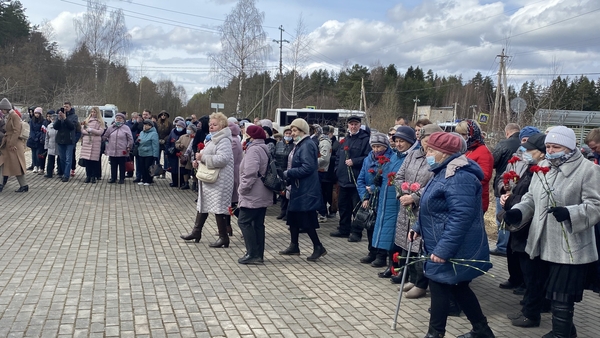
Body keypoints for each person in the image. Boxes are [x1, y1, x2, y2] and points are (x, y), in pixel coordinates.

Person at [503, 126, 600, 338]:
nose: (550, 150)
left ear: (569, 147)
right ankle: (566, 330)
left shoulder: (587, 170)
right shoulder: (543, 167)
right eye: (548, 146)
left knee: (561, 294)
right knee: (546, 289)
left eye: (556, 146)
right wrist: (517, 213)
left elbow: (596, 205)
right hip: (542, 241)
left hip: (570, 245)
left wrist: (570, 213)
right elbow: (531, 198)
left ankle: (561, 334)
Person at [410, 132, 494, 338]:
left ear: (444, 153)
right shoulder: (442, 171)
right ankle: (482, 330)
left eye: (431, 150)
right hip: (442, 243)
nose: (426, 153)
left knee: (440, 286)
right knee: (458, 287)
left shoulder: (459, 177)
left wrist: (443, 250)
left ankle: (435, 333)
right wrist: (417, 226)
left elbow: (461, 217)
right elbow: (430, 205)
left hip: (453, 246)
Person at [497, 133, 549, 328]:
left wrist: (511, 200)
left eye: (529, 151)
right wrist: (508, 195)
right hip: (522, 223)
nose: (525, 154)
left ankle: (531, 312)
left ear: (541, 153)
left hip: (529, 227)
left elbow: (534, 199)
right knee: (529, 272)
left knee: (533, 273)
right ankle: (530, 307)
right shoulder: (532, 169)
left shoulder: (542, 171)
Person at [389, 125, 439, 299]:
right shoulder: (413, 154)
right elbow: (399, 176)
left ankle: (421, 284)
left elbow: (434, 183)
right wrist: (403, 194)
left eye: (429, 141)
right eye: (424, 140)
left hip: (422, 208)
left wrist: (415, 197)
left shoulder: (436, 158)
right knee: (406, 244)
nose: (426, 144)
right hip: (406, 207)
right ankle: (412, 278)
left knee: (419, 247)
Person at [180, 112, 234, 248]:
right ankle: (196, 232)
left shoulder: (224, 140)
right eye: (210, 124)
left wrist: (202, 158)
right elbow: (206, 155)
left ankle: (224, 238)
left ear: (222, 126)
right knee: (203, 205)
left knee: (219, 208)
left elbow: (223, 159)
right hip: (210, 178)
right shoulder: (211, 138)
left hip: (220, 179)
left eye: (215, 125)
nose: (211, 127)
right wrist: (198, 162)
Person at [356, 131, 409, 270]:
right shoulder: (368, 159)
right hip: (370, 197)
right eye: (374, 147)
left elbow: (387, 180)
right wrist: (365, 196)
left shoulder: (391, 159)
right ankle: (372, 251)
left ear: (385, 146)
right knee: (370, 224)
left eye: (379, 146)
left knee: (382, 227)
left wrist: (374, 187)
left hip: (381, 196)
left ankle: (382, 255)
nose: (376, 149)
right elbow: (360, 179)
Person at [279, 118, 327, 261]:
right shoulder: (299, 144)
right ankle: (294, 245)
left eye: (295, 130)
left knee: (307, 219)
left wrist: (289, 173)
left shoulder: (306, 145)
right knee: (293, 216)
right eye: (292, 130)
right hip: (298, 187)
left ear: (303, 131)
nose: (292, 133)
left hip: (306, 189)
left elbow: (308, 167)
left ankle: (318, 246)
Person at [331, 116, 371, 241]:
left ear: (359, 125)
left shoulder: (365, 140)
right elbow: (338, 157)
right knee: (343, 206)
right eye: (351, 124)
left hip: (356, 181)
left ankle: (356, 232)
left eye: (356, 124)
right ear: (348, 125)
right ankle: (344, 229)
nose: (353, 126)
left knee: (357, 208)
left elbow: (368, 157)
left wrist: (355, 161)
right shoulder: (345, 140)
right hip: (343, 180)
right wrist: (337, 170)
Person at [237, 125, 272, 264]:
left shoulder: (253, 150)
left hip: (253, 193)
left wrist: (242, 189)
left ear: (251, 136)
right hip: (262, 192)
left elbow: (250, 172)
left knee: (244, 221)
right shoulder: (264, 148)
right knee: (258, 224)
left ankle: (252, 253)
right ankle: (258, 254)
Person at [490, 123, 522, 256]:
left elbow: (493, 162)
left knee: (502, 217)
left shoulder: (504, 144)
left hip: (504, 185)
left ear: (507, 132)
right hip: (520, 187)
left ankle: (502, 246)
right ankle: (511, 246)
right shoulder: (525, 145)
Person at [455, 119, 493, 213]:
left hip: (476, 199)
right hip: (463, 197)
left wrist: (462, 179)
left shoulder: (483, 152)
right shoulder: (466, 150)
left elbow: (484, 176)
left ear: (472, 134)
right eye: (458, 134)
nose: (460, 138)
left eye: (463, 135)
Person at [0, 98, 28, 192]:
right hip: (8, 143)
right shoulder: (9, 116)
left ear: (6, 108)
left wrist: (12, 144)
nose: (1, 111)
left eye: (2, 109)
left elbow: (17, 131)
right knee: (2, 163)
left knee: (17, 165)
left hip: (13, 144)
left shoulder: (14, 116)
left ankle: (24, 185)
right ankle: (1, 184)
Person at [103, 113, 133, 184]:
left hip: (122, 149)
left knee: (122, 165)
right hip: (112, 149)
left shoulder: (126, 128)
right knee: (113, 165)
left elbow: (130, 138)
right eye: (117, 118)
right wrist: (106, 143)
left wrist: (129, 146)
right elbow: (105, 136)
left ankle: (122, 178)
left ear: (123, 119)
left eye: (120, 118)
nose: (118, 119)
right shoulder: (111, 127)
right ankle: (113, 178)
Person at [54, 101, 79, 182]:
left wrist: (65, 118)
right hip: (60, 140)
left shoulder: (74, 116)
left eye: (67, 107)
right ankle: (63, 172)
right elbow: (55, 127)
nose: (65, 108)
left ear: (70, 107)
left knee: (68, 159)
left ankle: (66, 175)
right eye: (64, 106)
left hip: (69, 140)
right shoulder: (59, 115)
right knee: (62, 158)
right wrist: (59, 119)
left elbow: (72, 126)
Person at [79, 107, 106, 184]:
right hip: (87, 142)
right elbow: (82, 130)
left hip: (95, 142)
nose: (93, 113)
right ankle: (88, 176)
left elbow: (100, 132)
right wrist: (88, 132)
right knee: (87, 161)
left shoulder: (100, 122)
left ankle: (94, 176)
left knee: (94, 161)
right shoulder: (87, 121)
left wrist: (92, 130)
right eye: (92, 112)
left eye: (94, 112)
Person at [274, 125, 294, 220]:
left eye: (290, 133)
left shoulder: (294, 145)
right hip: (280, 170)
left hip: (289, 170)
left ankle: (287, 212)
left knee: (288, 193)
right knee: (282, 193)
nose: (288, 135)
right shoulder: (279, 144)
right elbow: (274, 155)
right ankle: (282, 211)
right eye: (286, 133)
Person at [314, 124, 332, 222]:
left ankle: (322, 213)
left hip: (321, 171)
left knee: (319, 193)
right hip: (318, 170)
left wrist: (312, 162)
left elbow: (324, 158)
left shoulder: (324, 142)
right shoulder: (318, 141)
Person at [136, 119, 159, 186]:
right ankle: (143, 179)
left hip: (149, 153)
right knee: (142, 167)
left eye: (147, 125)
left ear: (151, 126)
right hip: (141, 152)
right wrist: (137, 141)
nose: (145, 126)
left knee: (148, 167)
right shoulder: (141, 132)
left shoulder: (154, 134)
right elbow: (139, 140)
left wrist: (155, 155)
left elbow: (155, 145)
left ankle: (148, 180)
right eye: (144, 125)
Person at [165, 120, 187, 187]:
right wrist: (167, 151)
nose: (178, 127)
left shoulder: (185, 133)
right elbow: (168, 141)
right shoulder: (172, 131)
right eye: (177, 125)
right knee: (173, 167)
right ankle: (174, 182)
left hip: (181, 152)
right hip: (172, 152)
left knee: (180, 168)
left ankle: (181, 182)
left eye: (180, 126)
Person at [175, 123, 195, 190]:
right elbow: (177, 143)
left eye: (190, 129)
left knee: (192, 171)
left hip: (191, 156)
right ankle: (186, 183)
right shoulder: (183, 137)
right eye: (187, 129)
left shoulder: (194, 137)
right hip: (183, 156)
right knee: (184, 170)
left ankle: (195, 183)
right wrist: (179, 146)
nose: (188, 130)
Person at [27, 107, 46, 173]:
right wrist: (33, 136)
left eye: (38, 113)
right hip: (33, 139)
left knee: (38, 153)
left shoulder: (43, 121)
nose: (37, 114)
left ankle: (38, 165)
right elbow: (31, 130)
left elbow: (42, 130)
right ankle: (34, 166)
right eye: (35, 113)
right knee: (33, 153)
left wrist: (38, 136)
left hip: (39, 139)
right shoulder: (32, 120)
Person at [156, 110, 171, 178]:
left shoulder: (170, 124)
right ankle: (158, 172)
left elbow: (170, 133)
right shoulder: (157, 124)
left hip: (165, 143)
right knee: (157, 158)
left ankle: (164, 172)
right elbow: (155, 132)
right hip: (158, 142)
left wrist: (165, 140)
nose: (163, 116)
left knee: (166, 158)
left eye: (165, 115)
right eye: (162, 115)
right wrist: (158, 139)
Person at [44, 111, 58, 178]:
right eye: (52, 118)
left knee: (59, 159)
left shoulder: (59, 125)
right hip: (51, 144)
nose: (53, 119)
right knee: (50, 160)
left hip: (58, 145)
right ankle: (49, 173)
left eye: (54, 118)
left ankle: (60, 172)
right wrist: (46, 146)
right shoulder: (49, 126)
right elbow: (47, 137)